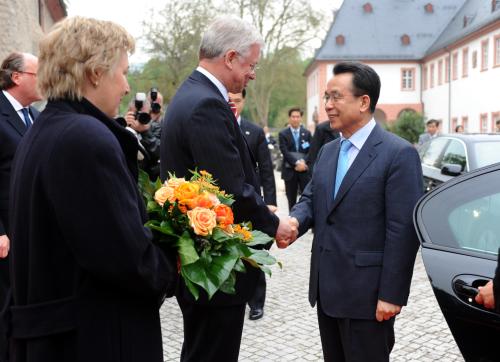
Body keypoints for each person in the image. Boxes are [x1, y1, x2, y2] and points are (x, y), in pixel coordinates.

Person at [7, 17, 177, 362]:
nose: (127, 87)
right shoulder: (85, 139)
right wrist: (175, 261)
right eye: (123, 72)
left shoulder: (46, 128)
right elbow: (126, 258)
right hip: (93, 339)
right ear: (96, 72)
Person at [160, 16, 295, 362]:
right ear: (231, 57)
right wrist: (272, 223)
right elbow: (229, 188)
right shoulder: (206, 104)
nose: (253, 73)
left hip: (205, 265)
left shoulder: (191, 94)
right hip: (214, 269)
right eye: (252, 64)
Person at [280, 62, 423, 362]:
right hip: (327, 291)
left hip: (368, 297)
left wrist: (391, 295)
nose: (328, 106)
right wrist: (294, 221)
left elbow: (403, 231)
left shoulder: (398, 154)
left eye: (335, 97)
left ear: (363, 102)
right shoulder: (329, 151)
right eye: (326, 98)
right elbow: (313, 196)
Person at [0, 51, 41, 361]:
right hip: (6, 234)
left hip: (32, 231)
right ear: (16, 77)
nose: (43, 80)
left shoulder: (37, 116)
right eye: (36, 74)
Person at [228, 89, 276, 321]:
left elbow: (266, 169)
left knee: (255, 251)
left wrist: (272, 202)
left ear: (244, 101)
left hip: (252, 202)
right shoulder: (216, 126)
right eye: (229, 100)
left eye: (237, 100)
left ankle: (256, 302)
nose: (233, 104)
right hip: (225, 204)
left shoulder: (254, 131)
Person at [279, 107, 312, 211]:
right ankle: (292, 222)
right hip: (290, 171)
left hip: (304, 171)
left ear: (301, 118)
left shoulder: (307, 133)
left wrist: (303, 162)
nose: (295, 119)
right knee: (291, 199)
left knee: (306, 198)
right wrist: (297, 162)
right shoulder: (283, 134)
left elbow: (311, 150)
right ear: (289, 118)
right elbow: (284, 151)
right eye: (293, 116)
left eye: (297, 116)